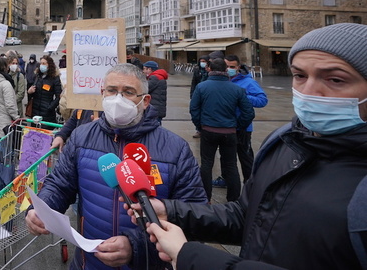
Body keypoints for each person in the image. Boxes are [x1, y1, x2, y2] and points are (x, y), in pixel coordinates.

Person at [131, 23, 367, 269]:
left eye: (336, 79)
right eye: (299, 75)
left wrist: (190, 257)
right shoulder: (284, 142)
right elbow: (250, 216)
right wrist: (171, 211)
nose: (309, 91)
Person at [26, 63, 207, 270]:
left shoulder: (176, 150)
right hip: (89, 263)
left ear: (145, 101)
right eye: (112, 91)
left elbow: (194, 218)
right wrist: (41, 209)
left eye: (128, 92)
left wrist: (135, 247)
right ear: (103, 93)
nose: (117, 99)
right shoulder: (81, 136)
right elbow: (60, 183)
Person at [189, 57, 254, 202]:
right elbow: (249, 112)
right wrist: (238, 126)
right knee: (231, 165)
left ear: (209, 69)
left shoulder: (202, 87)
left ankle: (206, 197)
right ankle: (233, 199)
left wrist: (200, 125)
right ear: (226, 70)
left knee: (206, 164)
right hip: (229, 132)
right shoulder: (237, 89)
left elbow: (194, 109)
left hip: (208, 130)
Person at [213, 54, 268, 188]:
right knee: (225, 156)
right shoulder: (220, 80)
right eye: (226, 66)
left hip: (242, 127)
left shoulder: (248, 82)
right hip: (225, 125)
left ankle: (250, 183)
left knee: (245, 157)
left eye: (232, 67)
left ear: (238, 67)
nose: (229, 69)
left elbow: (262, 100)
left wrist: (242, 96)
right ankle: (225, 178)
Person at [0, 57, 19, 145]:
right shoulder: (5, 84)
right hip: (5, 120)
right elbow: (10, 105)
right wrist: (16, 117)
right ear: (4, 67)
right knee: (5, 146)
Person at [26, 55, 62, 124]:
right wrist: (30, 92)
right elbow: (33, 93)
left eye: (44, 63)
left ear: (49, 65)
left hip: (47, 114)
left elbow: (59, 96)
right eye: (41, 63)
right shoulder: (37, 76)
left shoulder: (54, 78)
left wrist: (50, 107)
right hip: (35, 112)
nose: (41, 65)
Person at [189, 55, 210, 138]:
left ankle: (205, 129)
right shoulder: (197, 70)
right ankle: (199, 130)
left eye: (204, 61)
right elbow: (194, 82)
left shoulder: (209, 70)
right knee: (197, 111)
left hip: (207, 93)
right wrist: (192, 94)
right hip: (198, 92)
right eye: (201, 61)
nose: (202, 63)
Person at [6, 50, 26, 116]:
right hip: (6, 107)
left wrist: (11, 102)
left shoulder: (19, 76)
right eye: (12, 63)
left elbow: (21, 93)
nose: (14, 65)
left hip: (16, 107)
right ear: (8, 64)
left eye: (16, 63)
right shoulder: (6, 75)